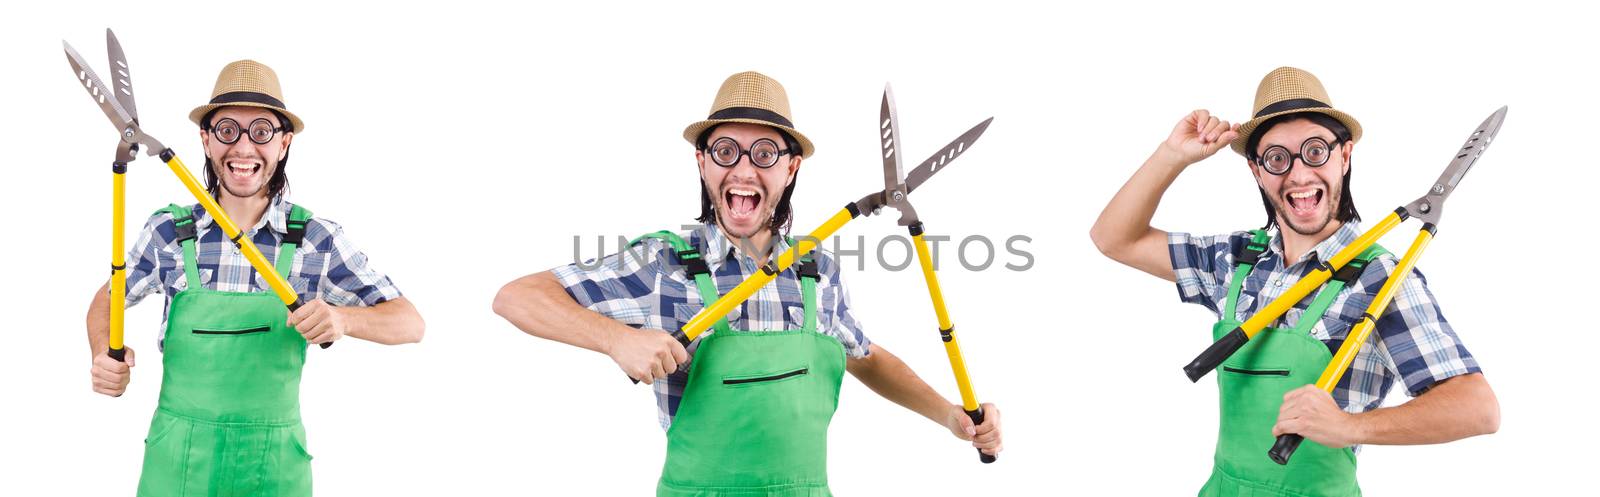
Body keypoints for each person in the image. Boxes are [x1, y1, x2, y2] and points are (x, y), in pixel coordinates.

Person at [494, 71, 1002, 496]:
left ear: (790, 167)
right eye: (724, 152)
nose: (742, 169)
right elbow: (516, 296)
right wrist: (616, 339)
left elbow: (864, 357)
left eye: (762, 154)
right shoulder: (663, 262)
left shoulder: (816, 268)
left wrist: (950, 416)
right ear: (701, 162)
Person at [1090, 66, 1499, 496]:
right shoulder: (1236, 261)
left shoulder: (1383, 279)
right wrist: (1170, 156)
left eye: (1316, 151)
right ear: (1257, 171)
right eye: (1278, 158)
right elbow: (1114, 237)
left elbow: (1478, 408)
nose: (1300, 175)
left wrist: (1347, 426)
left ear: (1344, 156)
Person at [84, 60, 425, 496]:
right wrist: (103, 352)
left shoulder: (315, 240)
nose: (243, 148)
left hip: (273, 466)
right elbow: (108, 297)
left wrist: (344, 319)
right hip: (177, 465)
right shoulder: (168, 232)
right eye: (228, 130)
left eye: (261, 131)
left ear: (283, 144)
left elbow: (410, 322)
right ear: (206, 141)